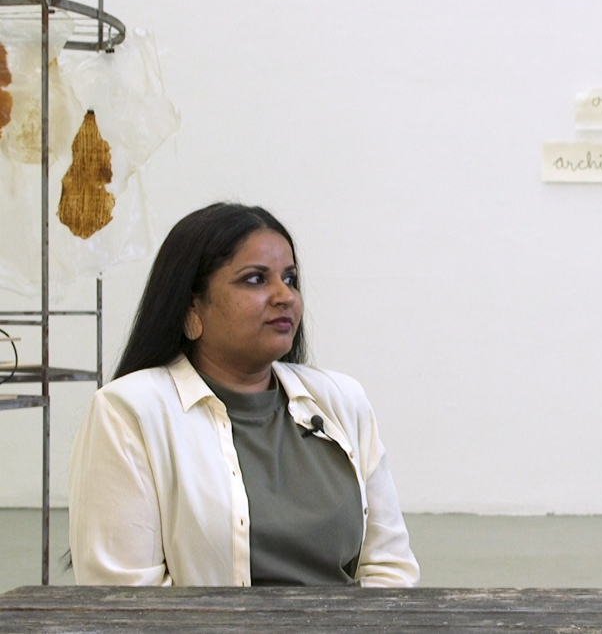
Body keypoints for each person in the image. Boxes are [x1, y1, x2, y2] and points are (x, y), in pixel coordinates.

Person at [69, 203, 419, 587]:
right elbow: (125, 596)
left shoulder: (342, 400)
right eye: (255, 279)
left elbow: (390, 569)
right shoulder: (128, 412)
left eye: (290, 279)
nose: (285, 296)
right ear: (191, 307)